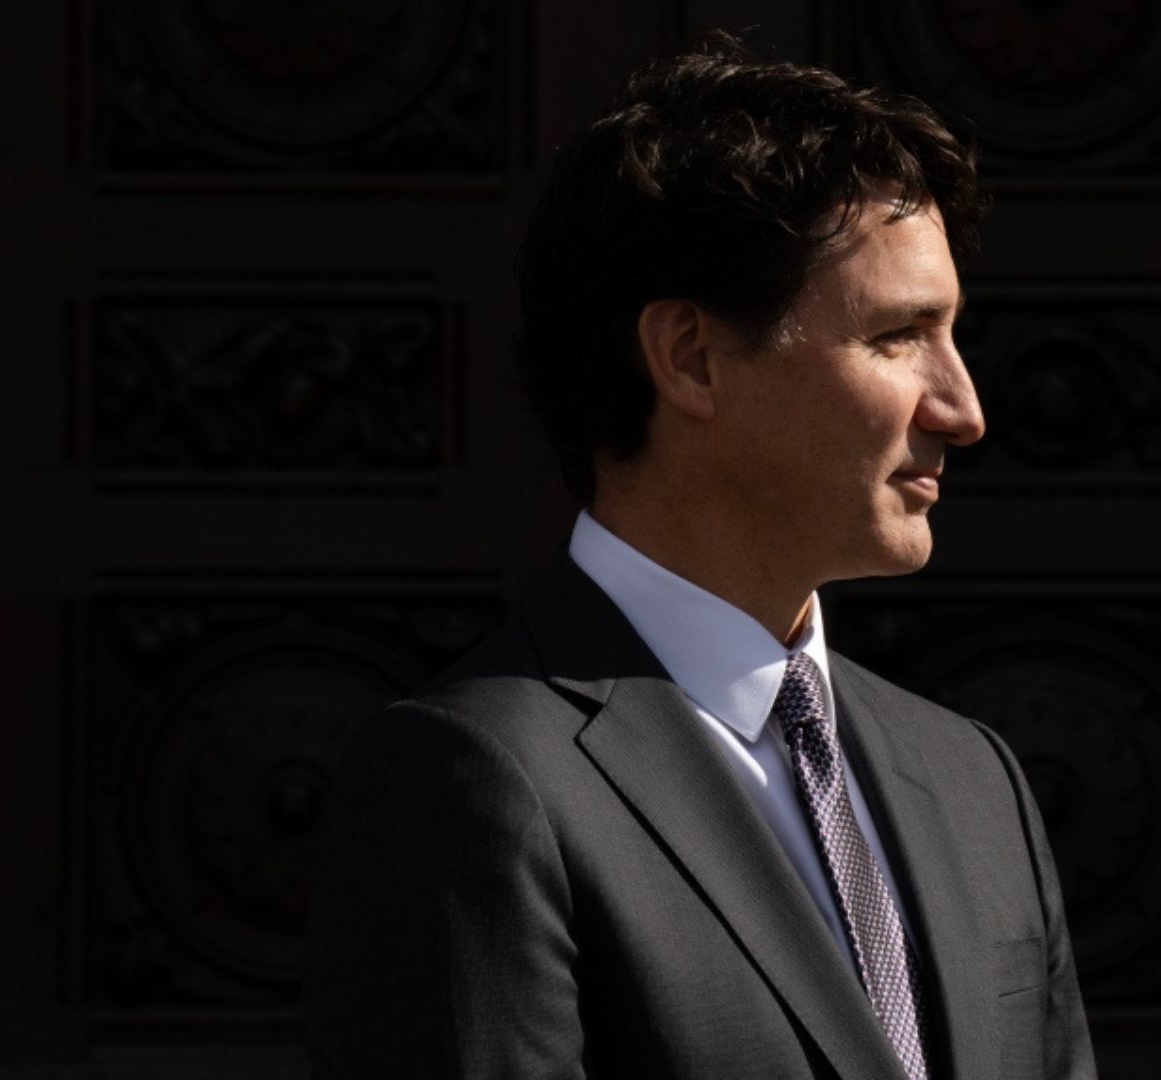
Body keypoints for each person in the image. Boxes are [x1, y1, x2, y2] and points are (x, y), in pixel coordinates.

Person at [305, 31, 1095, 1080]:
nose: (965, 409)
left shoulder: (973, 778)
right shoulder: (470, 781)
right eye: (898, 336)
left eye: (952, 336)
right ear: (689, 358)